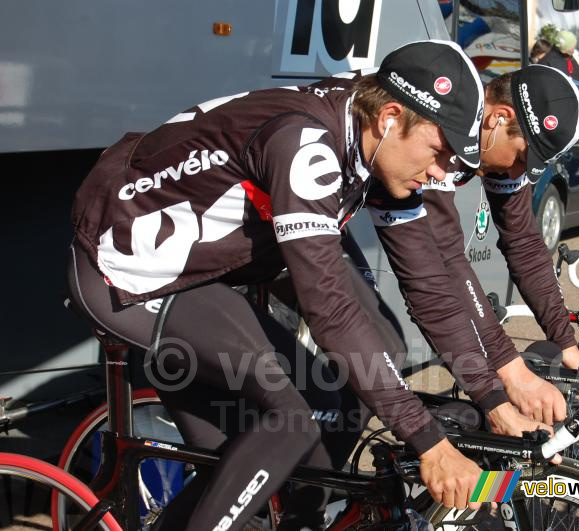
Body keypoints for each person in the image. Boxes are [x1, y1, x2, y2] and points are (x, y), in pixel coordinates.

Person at [66, 40, 544, 530]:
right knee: (296, 416)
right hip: (126, 272)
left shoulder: (373, 141)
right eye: (439, 151)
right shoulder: (307, 145)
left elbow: (428, 286)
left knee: (260, 468)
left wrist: (492, 397)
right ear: (391, 118)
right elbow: (330, 309)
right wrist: (428, 441)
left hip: (200, 275)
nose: (441, 172)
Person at [419, 64, 579, 406]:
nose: (517, 170)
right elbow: (445, 259)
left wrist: (567, 345)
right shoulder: (442, 124)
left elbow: (525, 245)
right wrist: (507, 367)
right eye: (522, 157)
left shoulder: (494, 146)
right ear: (499, 118)